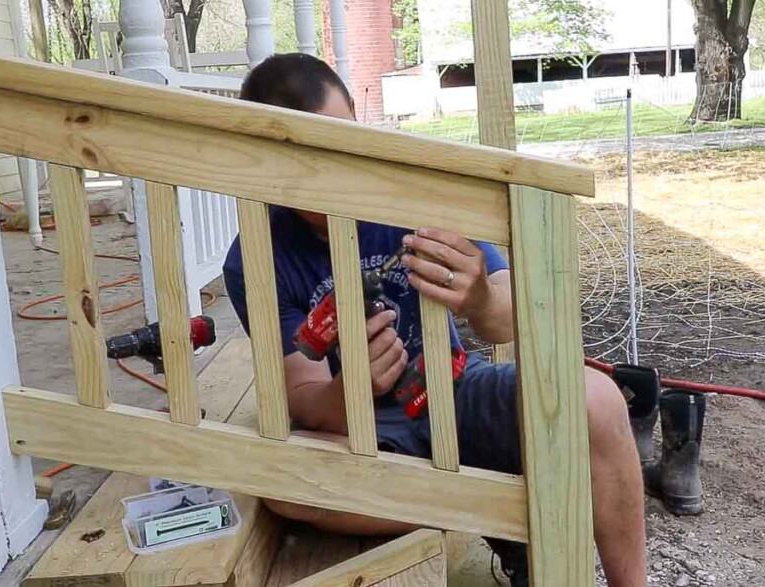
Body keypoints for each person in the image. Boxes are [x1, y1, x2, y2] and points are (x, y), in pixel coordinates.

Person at [224, 53, 647, 587]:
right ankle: (499, 504)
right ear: (268, 159)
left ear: (358, 118)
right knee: (282, 487)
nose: (332, 167)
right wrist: (352, 386)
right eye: (303, 154)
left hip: (452, 388)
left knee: (599, 399)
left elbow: (506, 317)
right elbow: (303, 397)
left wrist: (476, 299)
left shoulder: (417, 195)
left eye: (341, 140)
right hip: (364, 432)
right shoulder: (255, 256)